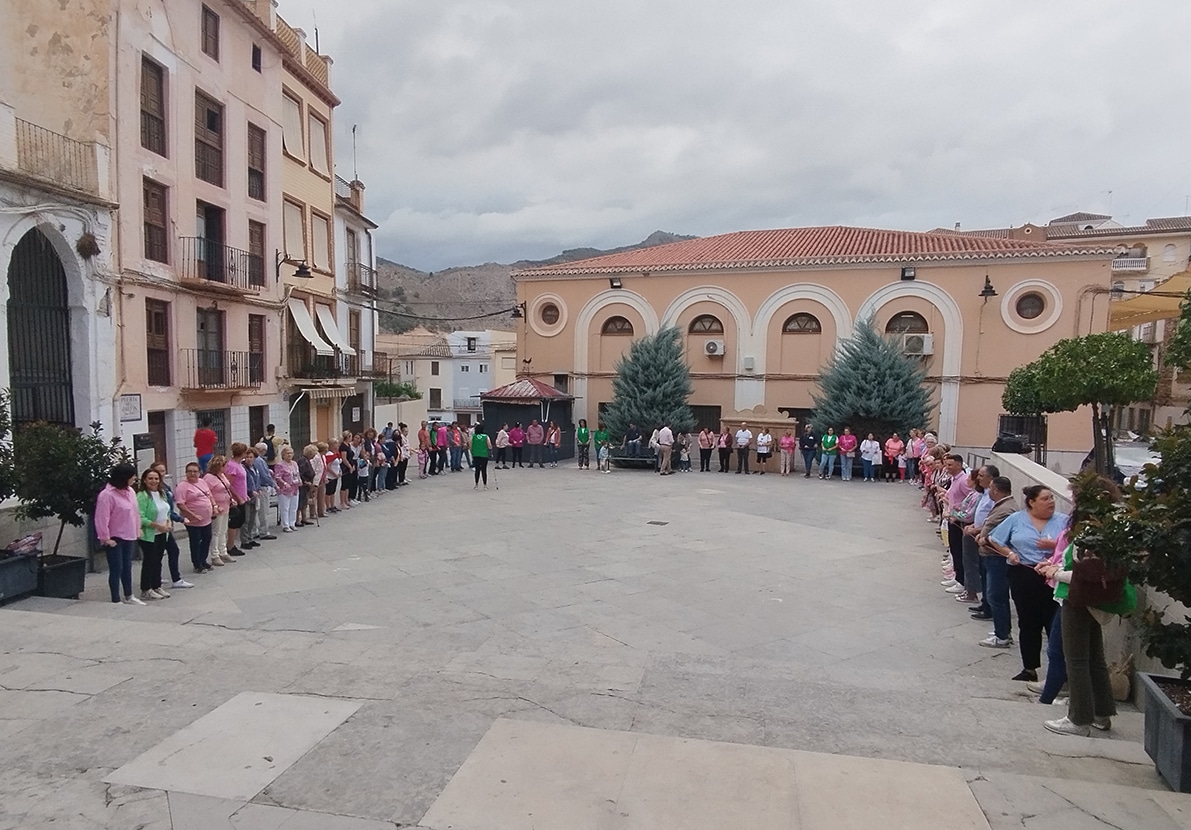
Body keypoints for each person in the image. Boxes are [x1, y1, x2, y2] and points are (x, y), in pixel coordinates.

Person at [1039, 475, 1120, 737]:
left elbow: (1085, 573)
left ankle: (1078, 718)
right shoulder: (1110, 527)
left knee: (1076, 659)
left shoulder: (1089, 532)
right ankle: (1101, 712)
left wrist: (1054, 572)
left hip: (1077, 598)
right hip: (1092, 599)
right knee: (1095, 657)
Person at [988, 484, 1069, 682]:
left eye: (1052, 498)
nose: (1051, 502)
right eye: (1045, 499)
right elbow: (994, 538)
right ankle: (1029, 668)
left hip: (1053, 575)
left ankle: (1057, 673)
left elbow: (1071, 545)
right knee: (1028, 621)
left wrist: (1053, 545)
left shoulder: (1063, 521)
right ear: (1032, 502)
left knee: (1053, 622)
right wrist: (1009, 553)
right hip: (1024, 573)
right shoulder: (1016, 519)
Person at [976, 476, 1018, 649]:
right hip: (991, 555)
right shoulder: (1002, 505)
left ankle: (1002, 635)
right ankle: (1002, 631)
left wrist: (985, 538)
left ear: (996, 490)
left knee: (996, 596)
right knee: (996, 595)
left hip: (997, 557)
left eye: (991, 488)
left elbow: (1001, 533)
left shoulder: (1007, 509)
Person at [95, 463, 143, 605]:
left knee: (127, 567)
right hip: (114, 537)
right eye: (132, 476)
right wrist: (105, 538)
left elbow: (135, 512)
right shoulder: (107, 495)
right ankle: (115, 599)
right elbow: (101, 518)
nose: (135, 478)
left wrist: (137, 529)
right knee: (116, 568)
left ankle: (129, 595)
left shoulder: (130, 491)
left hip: (129, 535)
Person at [148, 462, 192, 589]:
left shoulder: (165, 487)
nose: (161, 474)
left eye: (163, 471)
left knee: (172, 551)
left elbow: (168, 508)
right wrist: (180, 519)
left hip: (166, 525)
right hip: (156, 527)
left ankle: (172, 578)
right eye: (159, 471)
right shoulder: (151, 492)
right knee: (160, 554)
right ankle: (158, 579)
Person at [136, 468, 173, 601]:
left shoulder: (161, 493)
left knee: (158, 561)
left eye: (156, 478)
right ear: (145, 480)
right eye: (150, 478)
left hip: (162, 533)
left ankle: (156, 586)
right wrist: (157, 526)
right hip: (149, 534)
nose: (154, 481)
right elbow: (140, 517)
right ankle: (146, 589)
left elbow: (167, 511)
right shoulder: (142, 496)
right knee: (149, 561)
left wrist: (168, 523)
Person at [174, 462, 216, 573]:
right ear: (186, 473)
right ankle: (197, 564)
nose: (192, 473)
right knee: (195, 541)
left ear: (199, 472)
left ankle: (203, 560)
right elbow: (180, 504)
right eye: (190, 471)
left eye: (195, 471)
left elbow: (209, 495)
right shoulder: (182, 486)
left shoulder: (202, 482)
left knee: (207, 539)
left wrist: (214, 506)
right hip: (193, 521)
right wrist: (193, 515)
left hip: (207, 519)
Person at [203, 456, 238, 565]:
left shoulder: (222, 475)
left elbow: (227, 488)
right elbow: (207, 493)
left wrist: (231, 499)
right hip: (217, 508)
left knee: (223, 530)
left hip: (226, 505)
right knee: (216, 531)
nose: (226, 468)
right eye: (224, 465)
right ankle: (215, 555)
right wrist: (214, 505)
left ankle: (223, 551)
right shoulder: (208, 478)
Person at [224, 442, 250, 556]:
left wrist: (245, 495)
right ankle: (230, 545)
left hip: (242, 497)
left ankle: (232, 543)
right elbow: (229, 484)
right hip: (236, 499)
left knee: (240, 520)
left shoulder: (239, 465)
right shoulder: (232, 466)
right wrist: (238, 497)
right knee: (234, 522)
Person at [274, 445, 302, 532]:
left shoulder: (294, 463)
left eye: (291, 453)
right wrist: (284, 483)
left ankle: (292, 523)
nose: (289, 455)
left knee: (294, 507)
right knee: (285, 507)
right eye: (287, 453)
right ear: (283, 455)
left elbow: (297, 473)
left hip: (295, 487)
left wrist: (300, 480)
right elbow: (277, 477)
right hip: (284, 489)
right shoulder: (280, 465)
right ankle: (285, 525)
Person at [472, 423, 493, 489]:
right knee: (484, 470)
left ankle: (476, 484)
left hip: (476, 454)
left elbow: (470, 444)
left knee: (477, 470)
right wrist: (490, 452)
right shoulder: (485, 436)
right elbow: (489, 445)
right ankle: (485, 485)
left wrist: (472, 452)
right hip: (484, 454)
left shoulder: (473, 436)